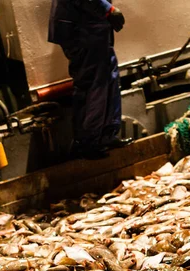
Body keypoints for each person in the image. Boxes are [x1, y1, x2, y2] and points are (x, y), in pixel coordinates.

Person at [48, 0, 133, 160]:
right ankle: (87, 142)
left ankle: (106, 136)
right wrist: (108, 9)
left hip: (93, 27)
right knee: (94, 84)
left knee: (109, 79)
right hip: (82, 30)